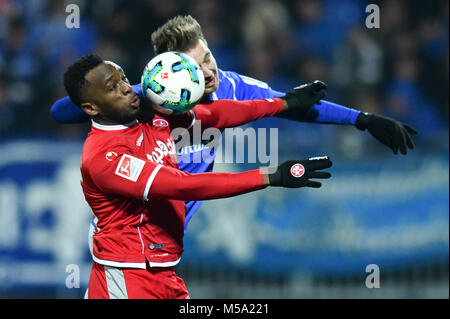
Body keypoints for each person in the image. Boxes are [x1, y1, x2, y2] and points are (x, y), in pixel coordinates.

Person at [51, 15, 417, 232]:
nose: (206, 72)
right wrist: (117, 91)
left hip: (170, 230)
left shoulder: (232, 87)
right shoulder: (147, 97)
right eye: (194, 67)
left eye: (208, 57)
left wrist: (364, 119)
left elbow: (294, 107)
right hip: (131, 227)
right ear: (172, 72)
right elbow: (61, 112)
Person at [65, 53, 332, 298]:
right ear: (91, 108)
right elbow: (182, 186)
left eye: (123, 78)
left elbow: (214, 115)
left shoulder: (148, 114)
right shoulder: (104, 157)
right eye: (113, 88)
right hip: (126, 278)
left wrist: (285, 103)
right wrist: (272, 176)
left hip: (163, 273)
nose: (126, 88)